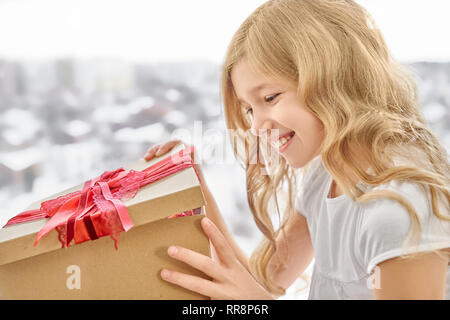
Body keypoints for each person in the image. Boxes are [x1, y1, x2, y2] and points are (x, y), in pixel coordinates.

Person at [144, 0, 450, 300]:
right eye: (250, 110)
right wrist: (197, 190)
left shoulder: (398, 210)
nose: (257, 126)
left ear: (333, 76)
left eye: (270, 97)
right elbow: (259, 282)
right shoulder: (325, 176)